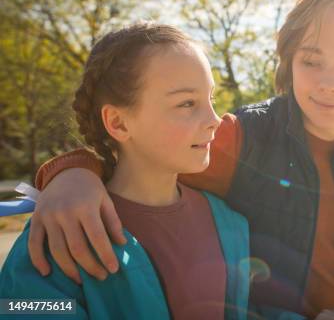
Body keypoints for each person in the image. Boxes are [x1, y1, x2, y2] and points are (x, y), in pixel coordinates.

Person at [28, 0, 334, 319]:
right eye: (310, 60)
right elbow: (139, 157)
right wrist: (71, 173)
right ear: (289, 62)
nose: (328, 83)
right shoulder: (238, 138)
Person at [0, 23, 251, 319]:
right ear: (118, 123)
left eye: (211, 99)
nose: (214, 119)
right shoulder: (59, 230)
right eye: (186, 103)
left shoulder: (231, 224)